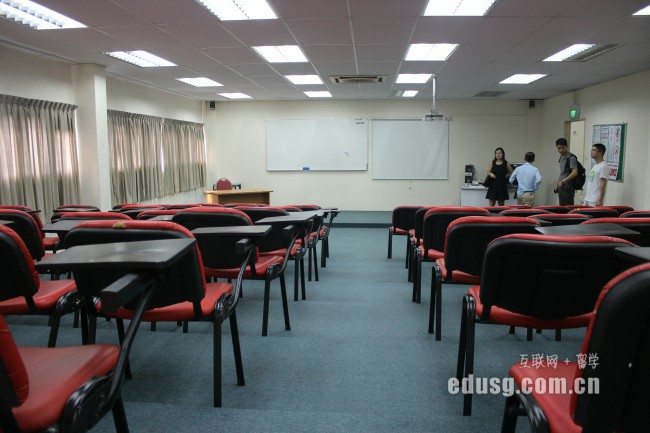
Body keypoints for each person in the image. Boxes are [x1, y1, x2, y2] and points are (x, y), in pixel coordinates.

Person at [555, 138, 578, 205]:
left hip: (568, 186)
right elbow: (562, 171)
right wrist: (558, 181)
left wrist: (563, 181)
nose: (561, 150)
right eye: (559, 148)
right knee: (561, 207)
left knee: (568, 207)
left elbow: (575, 172)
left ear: (566, 146)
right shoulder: (561, 157)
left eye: (563, 148)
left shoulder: (571, 158)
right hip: (561, 186)